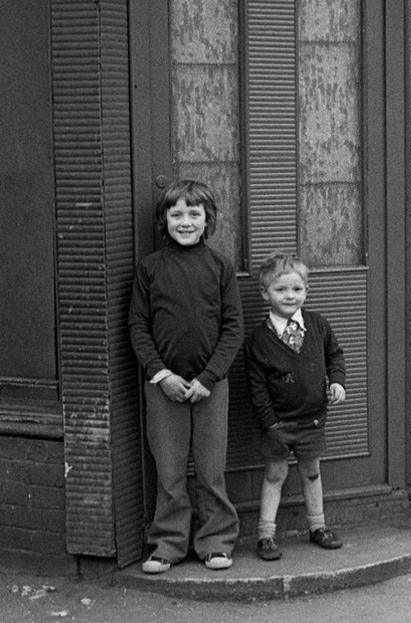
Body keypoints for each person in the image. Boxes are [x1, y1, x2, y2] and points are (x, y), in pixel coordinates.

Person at [128, 180, 244, 574]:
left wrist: (210, 377)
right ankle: (167, 544)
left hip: (212, 385)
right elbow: (138, 327)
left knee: (211, 469)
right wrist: (161, 375)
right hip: (164, 387)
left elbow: (232, 328)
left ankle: (215, 541)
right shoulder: (150, 268)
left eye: (194, 214)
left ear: (208, 220)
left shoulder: (220, 266)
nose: (185, 221)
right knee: (170, 470)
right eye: (176, 214)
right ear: (163, 220)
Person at [244, 253, 347, 561]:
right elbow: (257, 387)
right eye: (280, 290)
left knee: (312, 473)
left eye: (296, 289)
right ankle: (265, 535)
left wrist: (337, 382)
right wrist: (270, 425)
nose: (289, 296)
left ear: (306, 290)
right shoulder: (258, 341)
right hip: (278, 425)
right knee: (275, 475)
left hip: (312, 421)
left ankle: (318, 527)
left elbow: (335, 355)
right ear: (265, 293)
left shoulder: (318, 325)